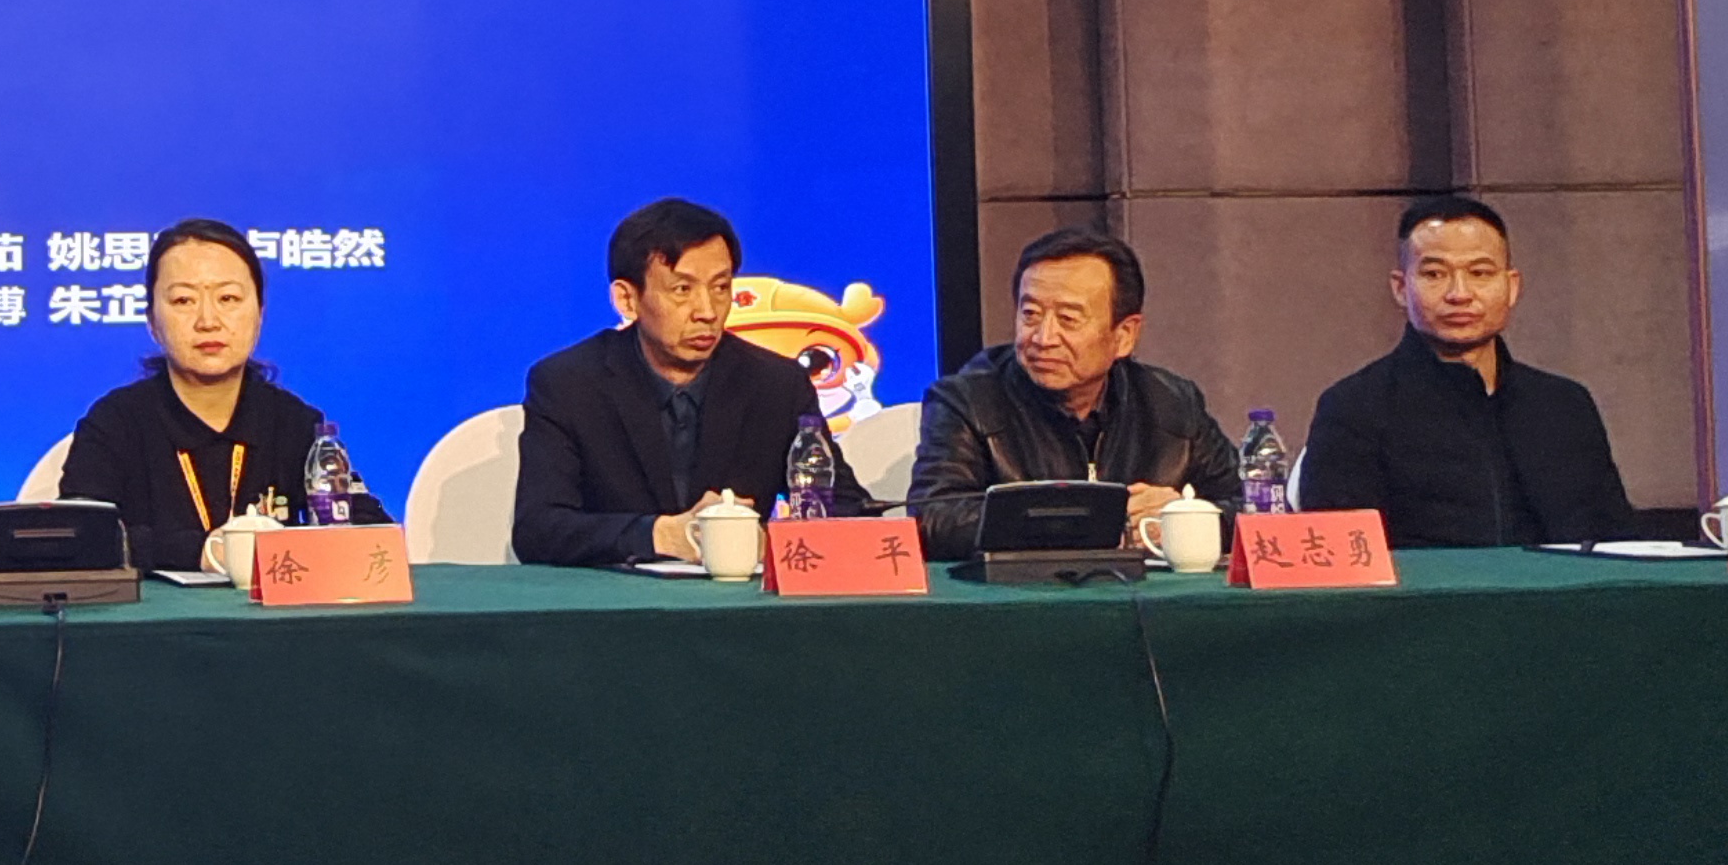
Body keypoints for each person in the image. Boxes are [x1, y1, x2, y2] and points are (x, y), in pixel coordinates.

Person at [513, 198, 871, 568]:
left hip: (737, 597)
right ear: (627, 299)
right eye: (682, 290)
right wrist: (660, 535)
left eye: (720, 287)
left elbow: (847, 509)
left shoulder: (777, 384)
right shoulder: (569, 384)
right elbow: (538, 529)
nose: (707, 312)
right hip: (612, 596)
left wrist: (771, 542)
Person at [1299, 195, 1642, 546]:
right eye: (1435, 274)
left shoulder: (1564, 405)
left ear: (1511, 287)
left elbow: (1616, 541)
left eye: (1480, 273)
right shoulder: (1355, 408)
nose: (1459, 294)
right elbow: (1340, 555)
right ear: (1401, 288)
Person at [58, 219, 390, 574]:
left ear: (259, 314)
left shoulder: (294, 423)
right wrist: (202, 552)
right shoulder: (114, 424)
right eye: (183, 300)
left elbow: (368, 529)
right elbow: (81, 537)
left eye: (228, 298)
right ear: (152, 322)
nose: (208, 320)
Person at [910, 228, 1238, 559]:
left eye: (1068, 319)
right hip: (1023, 590)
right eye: (1030, 314)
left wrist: (1187, 517)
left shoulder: (1172, 404)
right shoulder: (967, 402)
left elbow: (1249, 508)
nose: (1043, 338)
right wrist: (1094, 524)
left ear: (1124, 335)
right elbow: (935, 520)